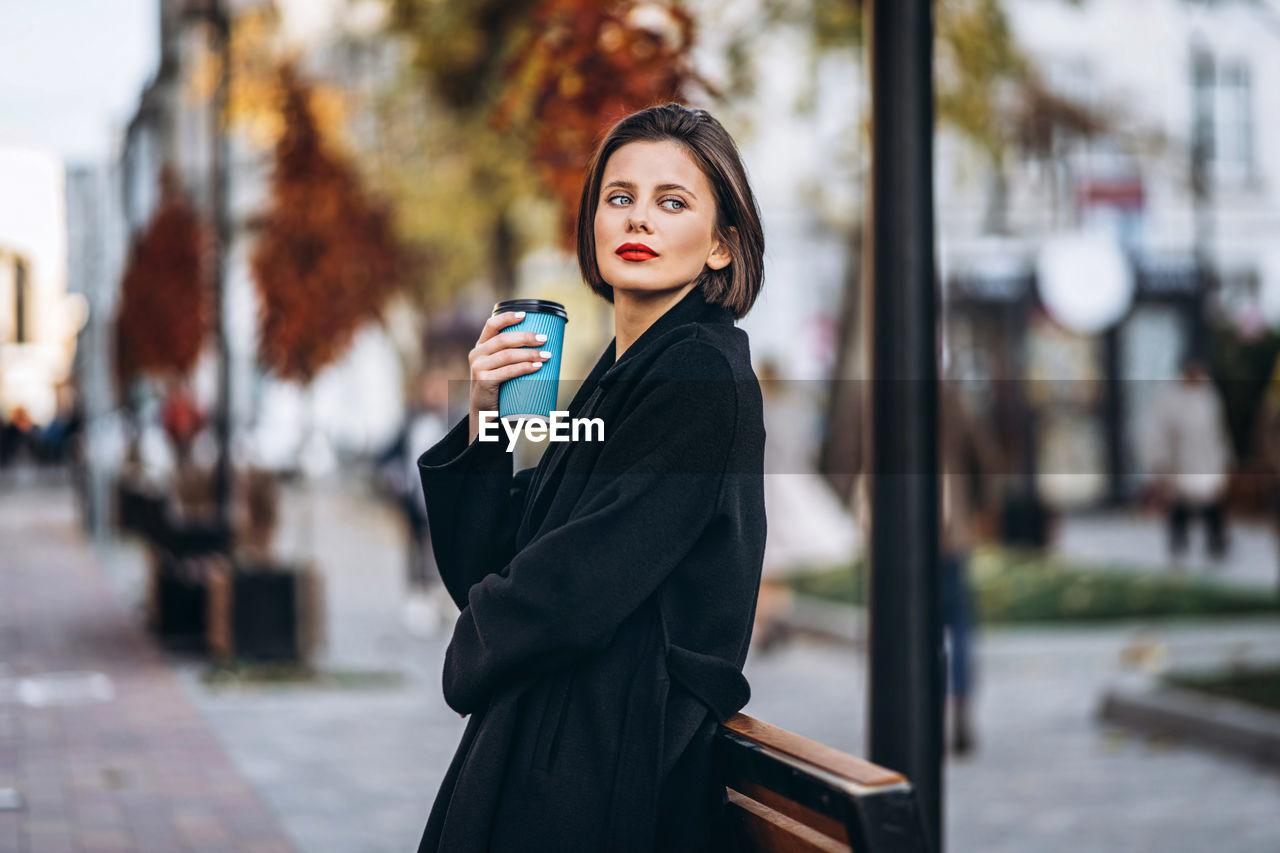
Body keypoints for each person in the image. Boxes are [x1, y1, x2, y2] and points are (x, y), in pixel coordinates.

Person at [414, 104, 766, 852]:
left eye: (672, 202)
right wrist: (486, 422)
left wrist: (475, 642)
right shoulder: (620, 375)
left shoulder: (701, 372)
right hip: (565, 746)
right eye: (620, 197)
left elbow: (580, 581)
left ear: (721, 247)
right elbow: (500, 562)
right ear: (593, 223)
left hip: (607, 768)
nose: (639, 219)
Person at [1144, 358, 1232, 565]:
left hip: (1207, 462)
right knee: (1180, 506)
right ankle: (1178, 546)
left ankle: (1216, 544)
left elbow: (1218, 431)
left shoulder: (1208, 393)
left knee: (1212, 505)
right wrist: (1161, 463)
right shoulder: (1170, 396)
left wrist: (1225, 461)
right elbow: (1158, 432)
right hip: (1180, 463)